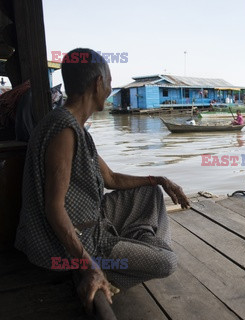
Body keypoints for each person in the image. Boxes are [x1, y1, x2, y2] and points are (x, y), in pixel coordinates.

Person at [14, 48, 190, 313]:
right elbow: (54, 209)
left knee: (152, 192)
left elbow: (111, 178)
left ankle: (141, 241)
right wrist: (89, 266)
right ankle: (110, 263)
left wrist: (160, 179)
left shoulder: (75, 127)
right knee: (167, 262)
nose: (110, 89)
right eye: (108, 82)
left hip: (92, 217)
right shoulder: (64, 130)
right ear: (98, 83)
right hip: (80, 240)